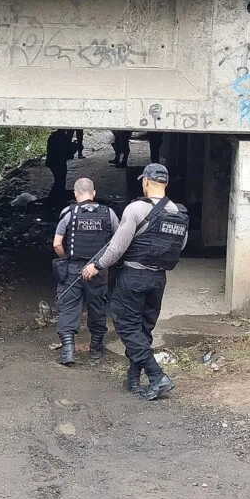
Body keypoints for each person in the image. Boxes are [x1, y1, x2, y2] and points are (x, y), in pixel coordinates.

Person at [81, 164, 189, 400]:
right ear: (166, 183)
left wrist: (96, 265)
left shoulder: (136, 209)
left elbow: (117, 247)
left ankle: (157, 376)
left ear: (146, 182)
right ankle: (133, 378)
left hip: (134, 277)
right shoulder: (179, 213)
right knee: (143, 329)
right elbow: (179, 246)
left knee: (127, 327)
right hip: (158, 279)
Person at [52, 178, 120, 366]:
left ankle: (68, 351)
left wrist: (66, 257)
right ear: (94, 193)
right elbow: (117, 242)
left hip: (73, 269)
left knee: (68, 306)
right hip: (98, 269)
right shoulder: (109, 213)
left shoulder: (68, 213)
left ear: (75, 194)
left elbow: (57, 243)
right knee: (97, 307)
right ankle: (96, 349)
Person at [45, 129, 77, 209]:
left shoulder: (54, 136)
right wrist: (74, 148)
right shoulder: (63, 138)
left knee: (59, 181)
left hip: (53, 161)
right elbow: (67, 153)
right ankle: (55, 201)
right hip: (58, 162)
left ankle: (56, 199)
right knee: (60, 181)